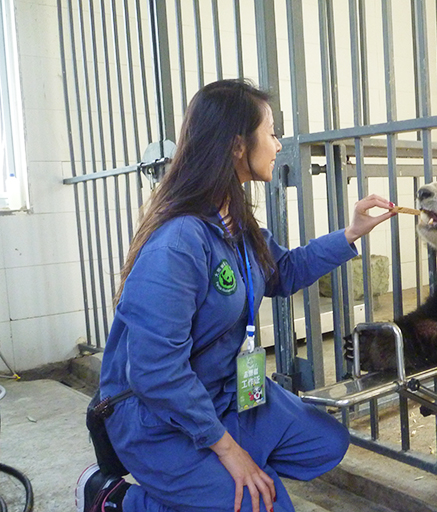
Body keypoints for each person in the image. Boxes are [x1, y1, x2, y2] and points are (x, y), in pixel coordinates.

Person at [75, 79, 396, 512]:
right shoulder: (178, 243)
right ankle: (117, 501)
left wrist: (351, 233)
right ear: (237, 145)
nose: (279, 144)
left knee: (325, 443)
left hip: (226, 391)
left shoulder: (237, 221)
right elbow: (154, 372)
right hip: (154, 413)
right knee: (264, 504)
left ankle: (212, 487)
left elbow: (282, 272)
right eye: (271, 131)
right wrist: (228, 451)